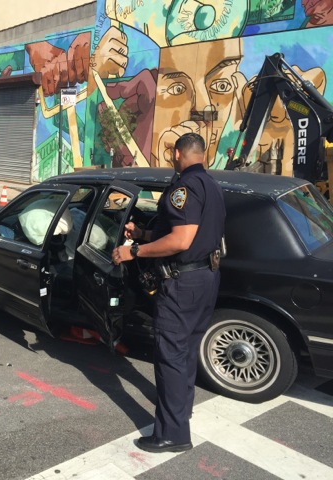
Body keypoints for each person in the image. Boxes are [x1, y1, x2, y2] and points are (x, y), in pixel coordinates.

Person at [112, 132, 225, 453]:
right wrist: (146, 231)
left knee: (171, 357)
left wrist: (134, 251)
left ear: (178, 154)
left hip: (182, 283)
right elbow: (189, 233)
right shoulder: (212, 186)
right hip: (206, 278)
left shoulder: (184, 188)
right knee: (186, 352)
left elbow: (181, 240)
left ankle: (173, 434)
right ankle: (181, 410)